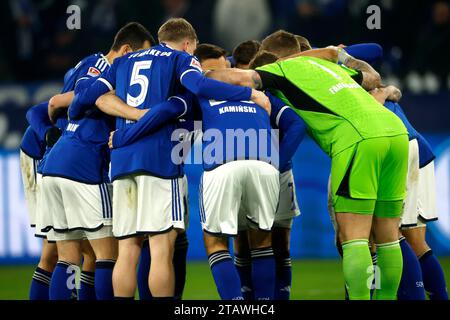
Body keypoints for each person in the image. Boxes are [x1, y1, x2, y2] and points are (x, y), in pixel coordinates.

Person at [72, 18, 269, 299]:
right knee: (161, 249)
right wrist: (249, 92)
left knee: (127, 251)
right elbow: (198, 86)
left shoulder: (123, 62)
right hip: (159, 163)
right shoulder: (180, 59)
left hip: (122, 163)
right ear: (188, 44)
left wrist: (96, 113)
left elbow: (87, 96)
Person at [206, 45, 409, 300]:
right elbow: (373, 79)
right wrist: (345, 57)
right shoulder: (331, 69)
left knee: (354, 237)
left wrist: (196, 75)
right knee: (388, 236)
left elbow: (240, 78)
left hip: (359, 141)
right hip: (395, 133)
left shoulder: (278, 70)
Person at [39, 22, 155, 300]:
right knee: (108, 254)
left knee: (67, 257)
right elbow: (88, 97)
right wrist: (139, 114)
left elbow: (61, 102)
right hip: (84, 165)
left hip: (55, 166)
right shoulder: (104, 68)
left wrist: (58, 107)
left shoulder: (90, 64)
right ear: (127, 50)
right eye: (141, 55)